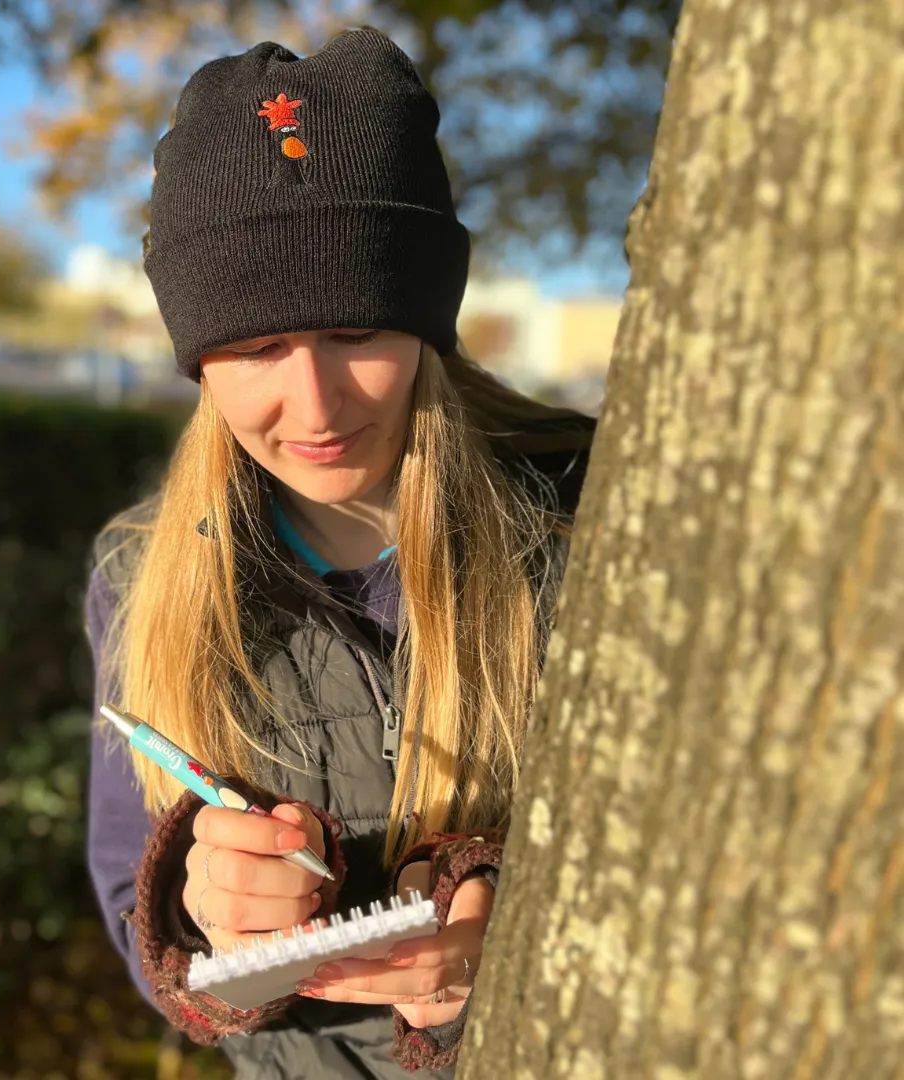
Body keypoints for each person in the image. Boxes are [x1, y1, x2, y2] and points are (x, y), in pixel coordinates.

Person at [84, 26, 596, 1079]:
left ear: (426, 325)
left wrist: (508, 918)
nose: (313, 406)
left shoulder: (580, 515)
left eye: (358, 330)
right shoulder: (139, 579)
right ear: (194, 355)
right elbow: (120, 889)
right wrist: (201, 921)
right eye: (260, 345)